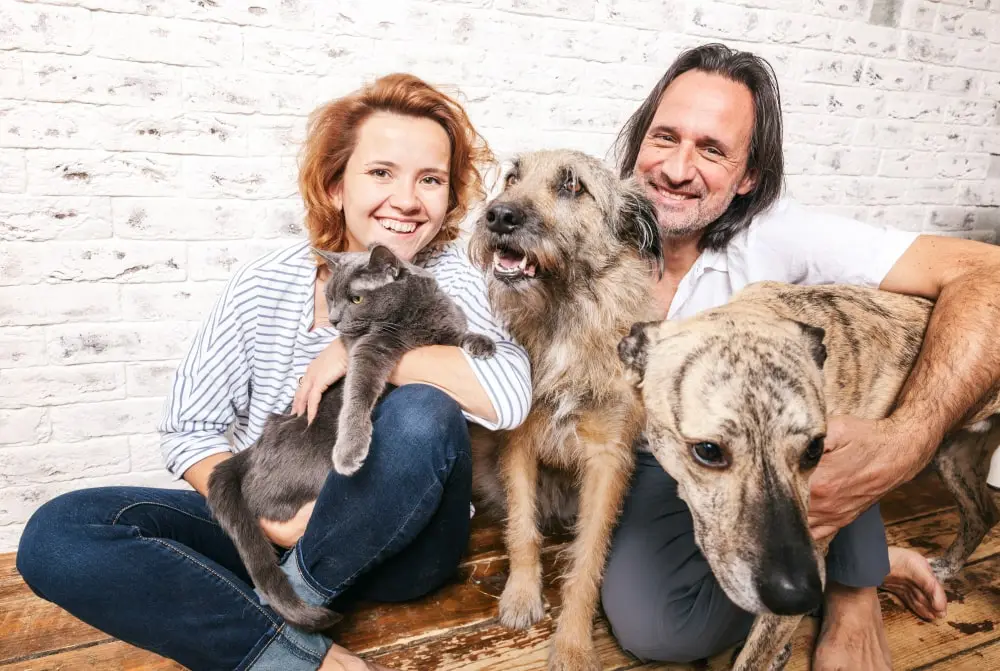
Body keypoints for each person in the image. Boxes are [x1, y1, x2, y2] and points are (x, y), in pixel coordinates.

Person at [16, 73, 532, 671]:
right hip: (280, 522)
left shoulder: (461, 277)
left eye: (431, 180)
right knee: (64, 532)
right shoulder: (264, 282)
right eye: (381, 172)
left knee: (425, 409)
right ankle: (287, 653)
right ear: (337, 185)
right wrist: (276, 526)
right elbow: (188, 429)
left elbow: (510, 394)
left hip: (403, 548)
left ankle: (292, 606)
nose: (409, 200)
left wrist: (362, 350)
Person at [600, 44, 1000, 671]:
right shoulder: (587, 225)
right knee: (658, 631)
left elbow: (990, 274)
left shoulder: (778, 235)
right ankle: (871, 561)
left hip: (760, 455)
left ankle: (852, 583)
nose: (678, 168)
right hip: (657, 453)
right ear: (636, 144)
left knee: (800, 395)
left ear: (749, 176)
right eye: (665, 137)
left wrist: (908, 437)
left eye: (712, 149)